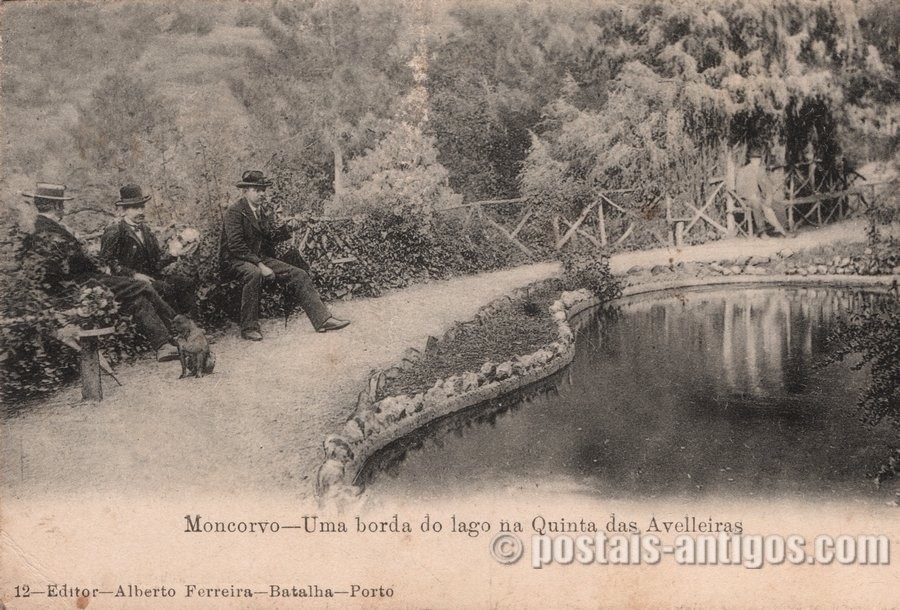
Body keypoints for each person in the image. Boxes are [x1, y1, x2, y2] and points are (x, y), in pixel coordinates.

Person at [21, 182, 180, 362]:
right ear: (56, 205)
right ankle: (182, 330)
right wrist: (95, 262)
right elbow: (72, 264)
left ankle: (163, 346)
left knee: (138, 299)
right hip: (78, 285)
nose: (64, 208)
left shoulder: (45, 227)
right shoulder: (47, 231)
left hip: (80, 281)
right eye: (62, 204)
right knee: (142, 286)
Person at [219, 170, 350, 341]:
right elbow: (236, 246)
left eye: (263, 190)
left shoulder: (261, 211)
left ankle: (323, 319)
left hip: (257, 258)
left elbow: (270, 236)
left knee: (299, 274)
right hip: (235, 260)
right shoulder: (235, 212)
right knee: (254, 273)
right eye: (256, 190)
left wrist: (292, 227)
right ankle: (249, 327)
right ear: (246, 191)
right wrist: (261, 265)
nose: (261, 194)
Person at [100, 184, 197, 315]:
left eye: (142, 207)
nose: (141, 212)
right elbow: (107, 263)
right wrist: (134, 275)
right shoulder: (115, 231)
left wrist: (174, 254)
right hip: (129, 284)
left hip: (151, 277)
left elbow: (156, 261)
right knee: (164, 288)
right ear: (124, 210)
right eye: (135, 208)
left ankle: (190, 320)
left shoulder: (146, 230)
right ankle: (176, 326)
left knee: (186, 282)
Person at [735, 150, 790, 238]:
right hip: (747, 199)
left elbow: (768, 186)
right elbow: (739, 189)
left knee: (779, 206)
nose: (757, 161)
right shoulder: (743, 171)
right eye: (754, 159)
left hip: (761, 198)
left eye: (758, 159)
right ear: (750, 159)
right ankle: (762, 232)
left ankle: (782, 230)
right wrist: (750, 195)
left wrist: (769, 197)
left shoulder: (761, 170)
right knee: (756, 204)